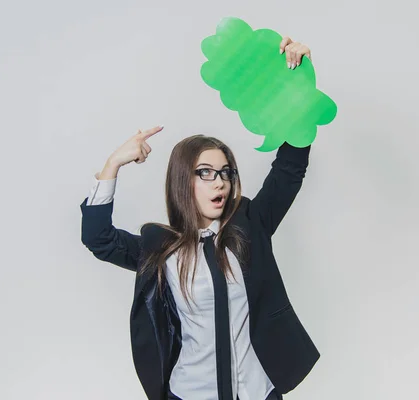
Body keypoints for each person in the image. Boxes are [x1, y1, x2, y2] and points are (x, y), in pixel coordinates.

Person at [80, 36, 320, 400]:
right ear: (182, 181)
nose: (219, 182)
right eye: (205, 172)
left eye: (226, 172)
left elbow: (289, 168)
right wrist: (112, 164)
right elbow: (99, 239)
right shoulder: (161, 250)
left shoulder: (251, 224)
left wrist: (296, 91)